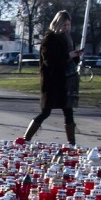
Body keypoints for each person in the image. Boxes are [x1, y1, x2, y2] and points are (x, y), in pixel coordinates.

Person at [22, 10, 80, 145]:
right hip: (52, 81)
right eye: (64, 25)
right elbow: (49, 61)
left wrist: (76, 55)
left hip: (65, 81)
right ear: (57, 23)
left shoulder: (68, 38)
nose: (66, 28)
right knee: (46, 112)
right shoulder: (49, 39)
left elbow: (70, 61)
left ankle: (72, 143)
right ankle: (26, 138)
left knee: (68, 111)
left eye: (68, 25)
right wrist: (68, 56)